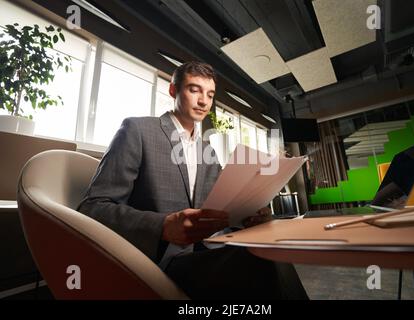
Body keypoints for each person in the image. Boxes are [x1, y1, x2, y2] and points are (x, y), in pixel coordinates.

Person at [78, 61, 308, 299]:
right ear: (173, 91)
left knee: (269, 249)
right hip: (160, 262)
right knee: (259, 260)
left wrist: (249, 218)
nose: (203, 101)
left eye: (209, 94)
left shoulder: (208, 151)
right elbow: (92, 208)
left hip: (210, 250)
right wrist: (163, 226)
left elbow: (220, 213)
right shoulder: (137, 129)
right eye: (194, 89)